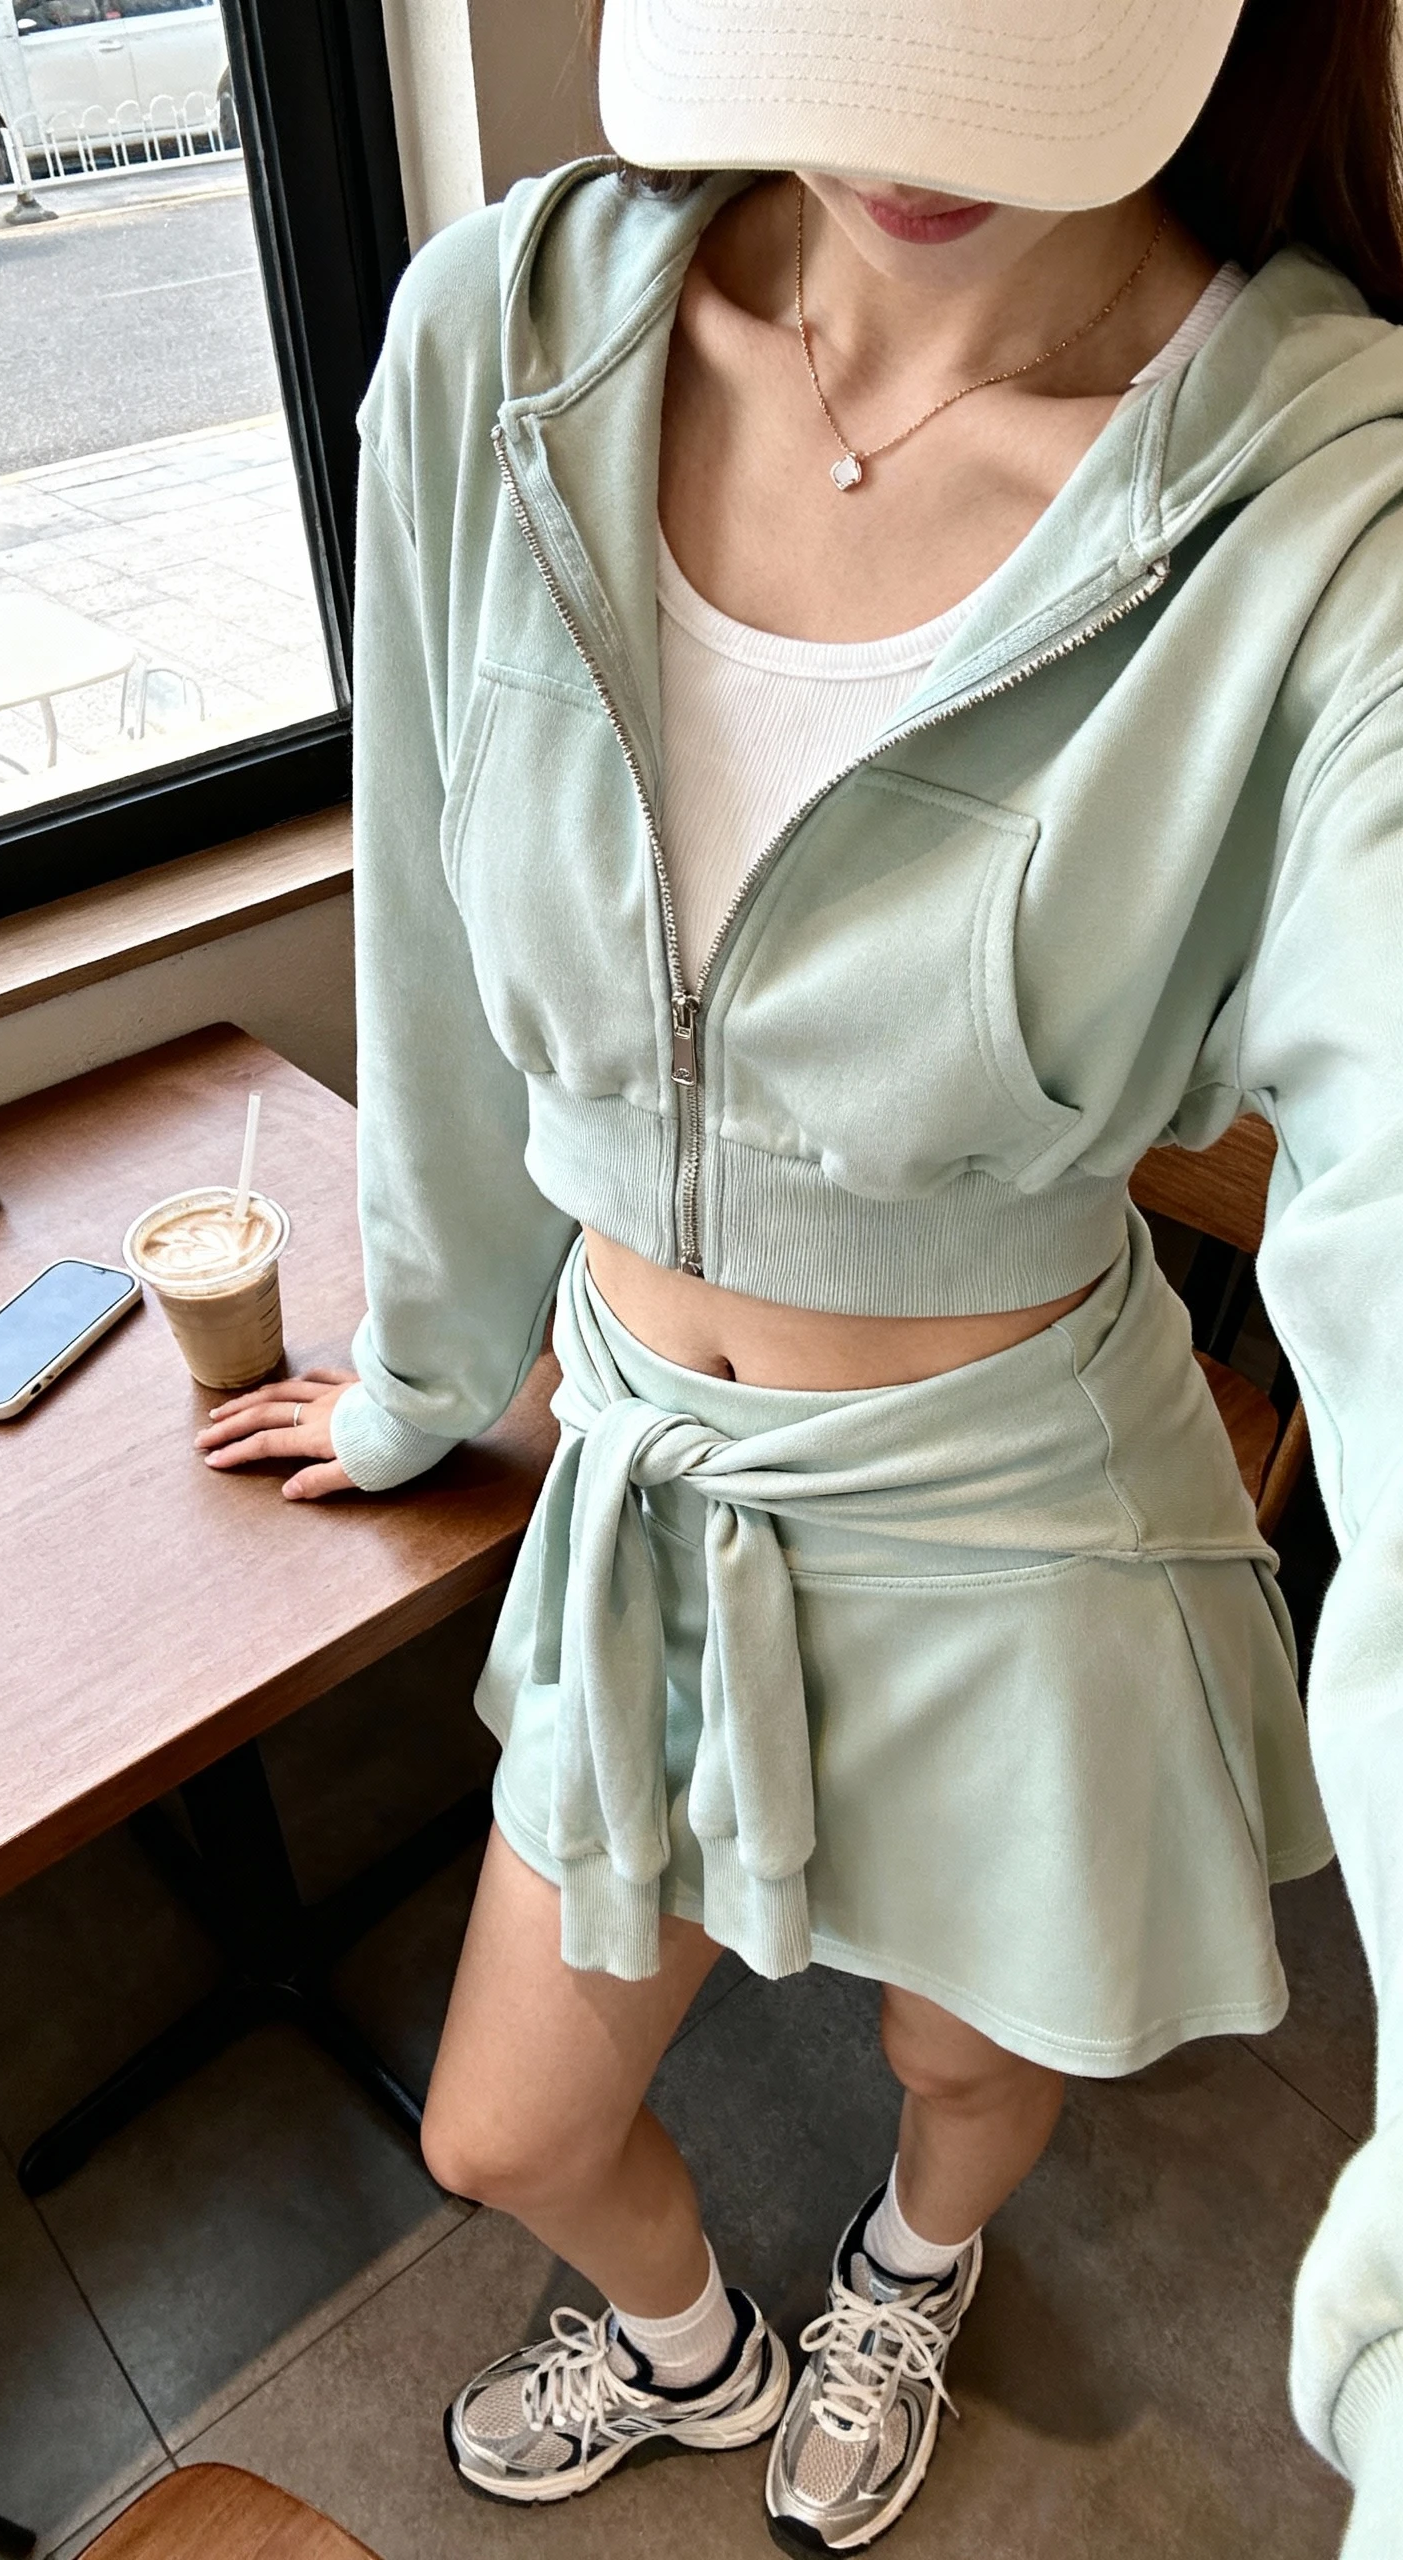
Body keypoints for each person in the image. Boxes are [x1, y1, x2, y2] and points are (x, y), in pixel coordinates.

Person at [197, 0, 1403, 2548]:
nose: (891, 126)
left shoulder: (1329, 513)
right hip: (649, 1473)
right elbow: (430, 944)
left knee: (963, 2061)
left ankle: (909, 2276)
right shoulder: (502, 345)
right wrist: (424, 1363)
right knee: (506, 2119)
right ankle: (691, 2342)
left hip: (1011, 1512)